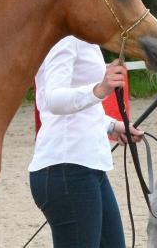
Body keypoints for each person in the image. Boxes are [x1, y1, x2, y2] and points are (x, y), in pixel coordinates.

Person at [28, 36, 144, 248]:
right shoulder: (65, 39)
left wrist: (111, 125)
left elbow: (77, 108)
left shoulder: (84, 39)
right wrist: (101, 89)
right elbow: (53, 100)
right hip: (66, 168)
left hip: (87, 167)